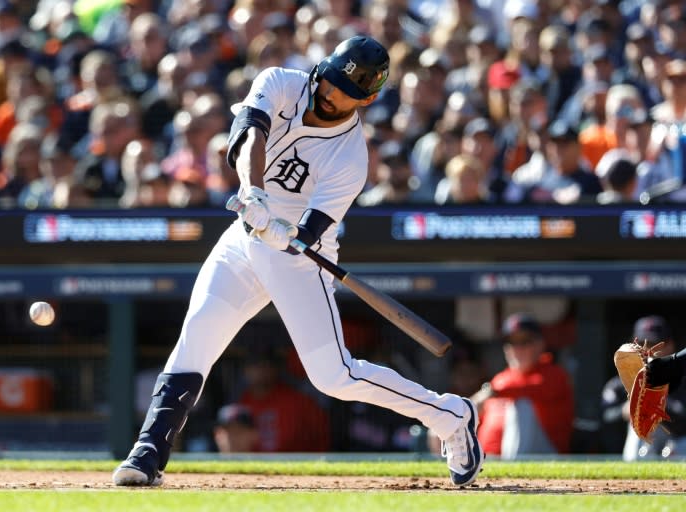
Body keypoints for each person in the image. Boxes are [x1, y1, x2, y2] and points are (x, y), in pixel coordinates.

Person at [112, 35, 483, 488]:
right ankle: (148, 451)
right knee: (197, 337)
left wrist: (288, 233)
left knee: (334, 375)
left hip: (300, 258)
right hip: (245, 235)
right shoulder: (282, 82)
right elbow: (251, 133)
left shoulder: (351, 157)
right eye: (328, 81)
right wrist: (254, 193)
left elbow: (309, 232)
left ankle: (450, 414)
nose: (328, 93)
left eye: (343, 91)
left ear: (365, 99)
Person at [471, 312, 574, 459]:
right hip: (490, 459)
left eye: (524, 341)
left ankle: (514, 468)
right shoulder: (501, 378)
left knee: (522, 404)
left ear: (540, 344)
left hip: (545, 457)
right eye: (512, 342)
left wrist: (490, 392)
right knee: (452, 418)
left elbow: (529, 389)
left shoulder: (554, 373)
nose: (517, 349)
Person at [604, 315, 686, 460]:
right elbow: (605, 417)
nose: (647, 349)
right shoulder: (621, 382)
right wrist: (624, 410)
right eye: (642, 343)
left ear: (670, 345)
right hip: (641, 446)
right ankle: (635, 475)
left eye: (655, 343)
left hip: (677, 444)